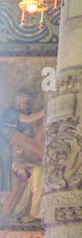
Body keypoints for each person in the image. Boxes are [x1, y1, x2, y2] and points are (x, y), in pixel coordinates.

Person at [0, 89, 43, 221]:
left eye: (27, 103)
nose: (24, 105)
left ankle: (35, 213)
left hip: (26, 160)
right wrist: (47, 110)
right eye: (22, 102)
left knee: (38, 175)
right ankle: (9, 213)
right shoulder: (9, 114)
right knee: (14, 185)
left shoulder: (31, 123)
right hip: (8, 160)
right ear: (16, 102)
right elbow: (28, 119)